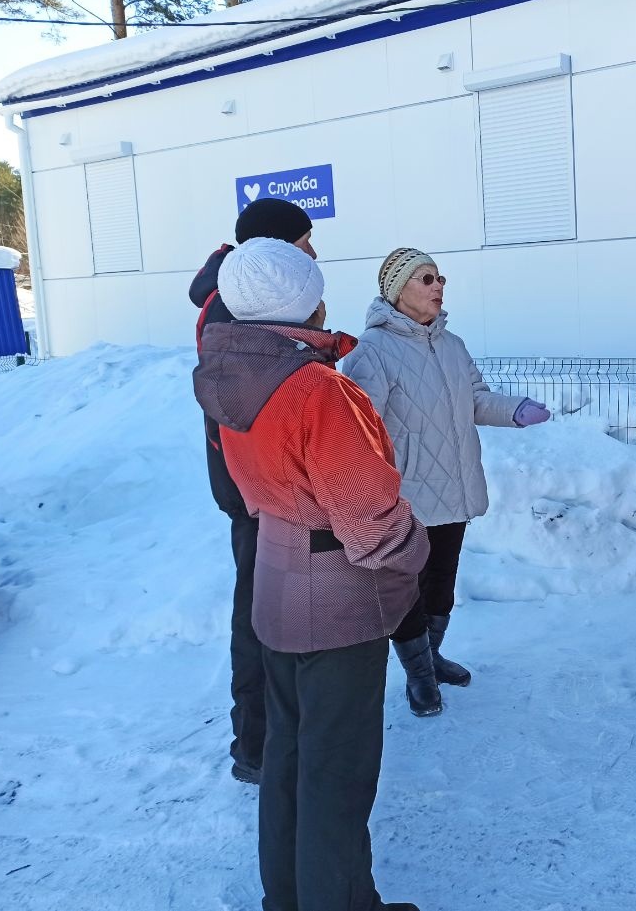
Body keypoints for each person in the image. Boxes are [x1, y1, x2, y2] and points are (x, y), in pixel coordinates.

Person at [193, 237, 429, 911]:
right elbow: (368, 511)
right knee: (338, 769)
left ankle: (289, 898)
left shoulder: (230, 371)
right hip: (338, 596)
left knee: (291, 758)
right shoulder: (316, 387)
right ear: (307, 301)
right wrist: (415, 552)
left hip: (276, 580)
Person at [340, 247, 550, 716]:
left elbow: (476, 398)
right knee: (406, 589)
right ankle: (418, 677)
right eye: (427, 278)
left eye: (440, 278)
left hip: (452, 488)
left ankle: (431, 658)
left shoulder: (451, 345)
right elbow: (357, 426)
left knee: (442, 582)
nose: (439, 286)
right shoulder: (371, 351)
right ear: (398, 290)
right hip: (407, 496)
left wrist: (512, 410)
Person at [188, 197, 316, 786]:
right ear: (272, 246)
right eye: (302, 240)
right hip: (255, 488)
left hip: (255, 484)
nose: (312, 251)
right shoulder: (231, 308)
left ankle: (268, 736)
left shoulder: (230, 299)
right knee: (260, 616)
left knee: (271, 611)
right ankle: (258, 745)